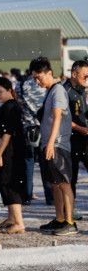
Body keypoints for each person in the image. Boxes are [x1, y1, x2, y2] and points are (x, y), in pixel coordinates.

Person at [33, 57, 77, 235]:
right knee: (55, 183)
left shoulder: (58, 90)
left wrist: (51, 143)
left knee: (64, 183)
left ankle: (70, 222)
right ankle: (60, 219)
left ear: (49, 73)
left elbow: (58, 117)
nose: (37, 81)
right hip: (48, 144)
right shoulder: (49, 90)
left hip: (58, 144)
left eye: (39, 77)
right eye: (35, 78)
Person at [15, 61, 53, 206]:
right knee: (45, 164)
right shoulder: (45, 85)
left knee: (28, 165)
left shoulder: (21, 85)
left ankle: (27, 196)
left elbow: (20, 104)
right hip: (43, 128)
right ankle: (50, 197)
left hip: (28, 128)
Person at [0, 77, 26, 234]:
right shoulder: (8, 105)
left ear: (9, 91)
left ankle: (19, 222)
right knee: (6, 183)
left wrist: (0, 154)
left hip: (10, 151)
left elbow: (7, 133)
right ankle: (12, 218)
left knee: (10, 183)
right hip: (10, 150)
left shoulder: (10, 107)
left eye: (0, 92)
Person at [63, 60, 88, 220]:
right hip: (71, 140)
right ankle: (68, 211)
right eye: (85, 76)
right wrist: (80, 128)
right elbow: (63, 118)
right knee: (71, 178)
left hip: (85, 141)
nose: (86, 79)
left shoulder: (82, 90)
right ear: (74, 74)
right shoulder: (64, 91)